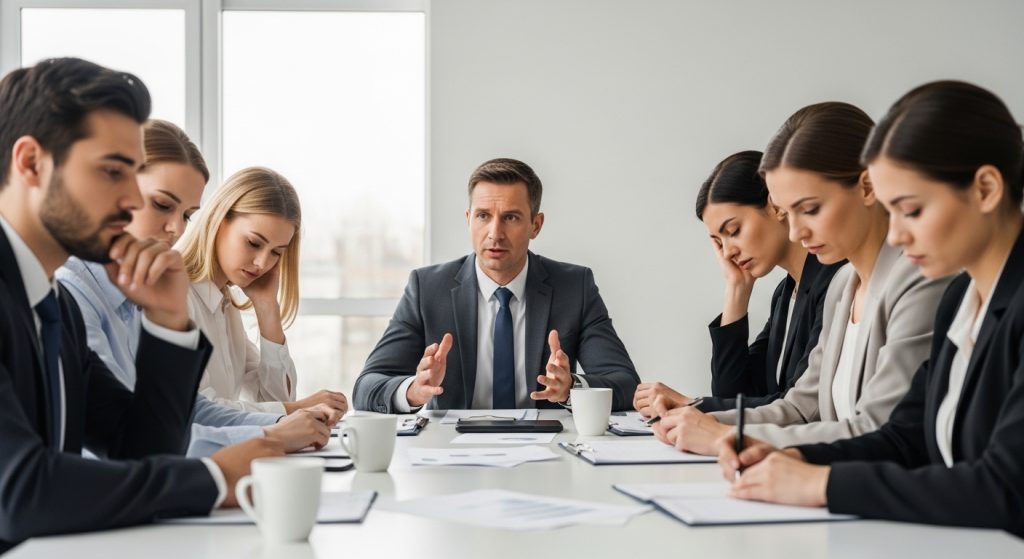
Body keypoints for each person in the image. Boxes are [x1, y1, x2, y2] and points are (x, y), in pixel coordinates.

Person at [718, 81, 1024, 537]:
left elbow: (1006, 488)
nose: (896, 236)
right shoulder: (961, 301)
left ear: (984, 188)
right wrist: (796, 458)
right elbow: (906, 436)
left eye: (911, 210)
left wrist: (823, 483)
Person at [0, 58, 281, 551]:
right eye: (112, 172)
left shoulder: (53, 304)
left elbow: (140, 452)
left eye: (134, 176)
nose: (132, 199)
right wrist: (212, 480)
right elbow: (19, 492)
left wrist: (168, 323)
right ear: (30, 163)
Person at [652, 102, 951, 455]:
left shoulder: (918, 280)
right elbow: (798, 408)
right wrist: (700, 420)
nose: (796, 231)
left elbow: (878, 429)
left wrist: (724, 437)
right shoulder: (843, 285)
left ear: (867, 187)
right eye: (787, 212)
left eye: (808, 210)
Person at [57, 120, 337, 456]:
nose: (175, 229)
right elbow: (138, 435)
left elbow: (189, 411)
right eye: (162, 205)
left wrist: (267, 308)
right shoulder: (85, 294)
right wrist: (277, 430)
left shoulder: (212, 302)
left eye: (187, 214)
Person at [354, 158, 640, 412]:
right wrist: (414, 391)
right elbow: (367, 386)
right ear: (469, 220)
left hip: (548, 453)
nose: (495, 233)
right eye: (483, 216)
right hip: (452, 455)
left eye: (511, 218)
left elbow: (626, 384)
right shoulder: (427, 288)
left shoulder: (574, 287)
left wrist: (571, 388)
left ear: (535, 225)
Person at [633, 151, 844, 415]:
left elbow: (799, 407)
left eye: (733, 231)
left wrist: (692, 404)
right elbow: (734, 395)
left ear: (775, 205)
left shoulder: (835, 278)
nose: (729, 251)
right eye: (719, 242)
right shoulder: (786, 293)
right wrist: (736, 290)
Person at [178, 166, 349, 416]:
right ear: (219, 221)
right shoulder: (176, 297)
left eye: (276, 252)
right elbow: (198, 411)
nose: (262, 263)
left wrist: (267, 305)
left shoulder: (224, 305)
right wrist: (299, 408)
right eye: (253, 243)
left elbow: (274, 399)